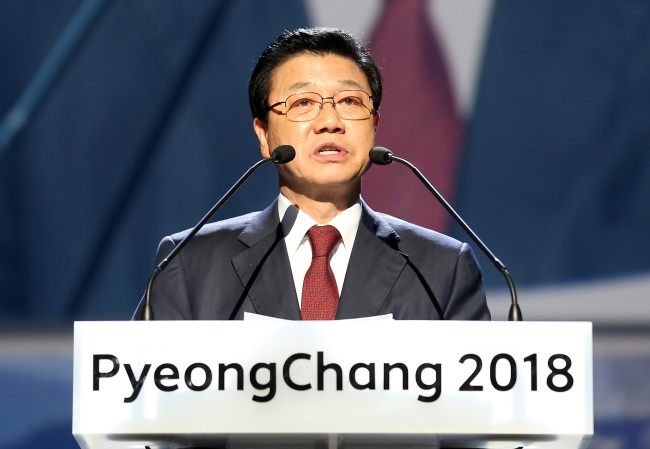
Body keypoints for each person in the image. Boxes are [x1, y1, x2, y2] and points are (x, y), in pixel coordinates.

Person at [133, 27, 490, 321]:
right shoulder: (188, 265)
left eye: (350, 102)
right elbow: (143, 399)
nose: (330, 122)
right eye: (303, 103)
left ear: (375, 124)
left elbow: (478, 405)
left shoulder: (443, 269)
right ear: (263, 134)